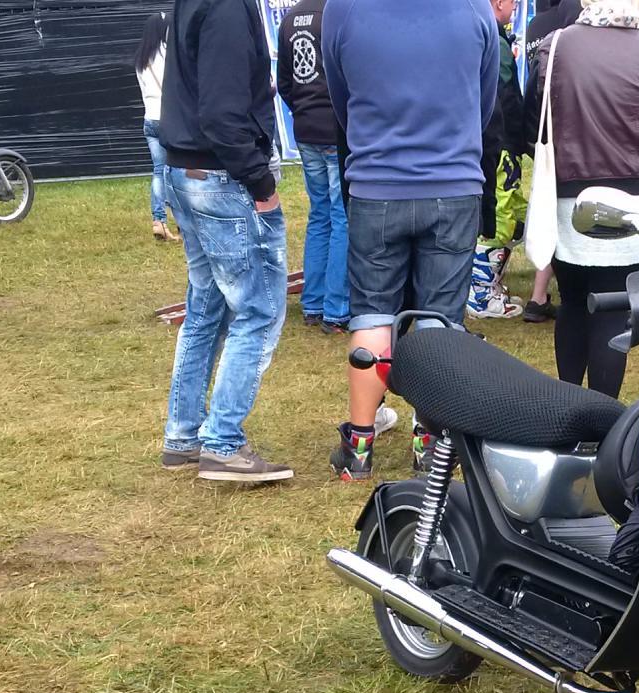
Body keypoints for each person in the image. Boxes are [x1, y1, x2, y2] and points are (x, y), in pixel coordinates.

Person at [322, 0, 499, 482]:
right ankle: (431, 443)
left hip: (377, 183)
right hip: (454, 183)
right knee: (441, 318)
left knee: (372, 313)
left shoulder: (343, 8)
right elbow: (484, 101)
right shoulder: (474, 7)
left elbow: (341, 96)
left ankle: (359, 448)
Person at [156, 0, 295, 483]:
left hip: (190, 170)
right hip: (221, 177)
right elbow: (221, 112)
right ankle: (221, 443)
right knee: (259, 311)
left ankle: (184, 435)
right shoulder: (228, 8)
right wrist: (260, 182)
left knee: (206, 310)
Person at [530, 0, 639, 399]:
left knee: (572, 302)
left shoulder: (555, 45)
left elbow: (534, 120)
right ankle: (602, 417)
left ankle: (568, 406)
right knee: (614, 310)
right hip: (635, 198)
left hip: (567, 197)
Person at [280, 0, 349, 333]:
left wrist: (304, 111)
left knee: (320, 215)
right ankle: (337, 308)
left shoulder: (290, 18)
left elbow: (284, 83)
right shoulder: (337, 13)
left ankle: (314, 303)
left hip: (306, 128)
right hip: (335, 128)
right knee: (341, 216)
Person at [470, 0, 530, 321]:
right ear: (498, 3)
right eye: (514, 2)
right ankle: (479, 293)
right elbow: (506, 98)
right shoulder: (494, 39)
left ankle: (488, 284)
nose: (516, 7)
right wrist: (520, 139)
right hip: (502, 142)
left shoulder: (484, 32)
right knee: (501, 219)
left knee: (513, 214)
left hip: (496, 141)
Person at [137, 11, 175, 243]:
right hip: (169, 118)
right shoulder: (168, 55)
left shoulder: (141, 59)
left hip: (149, 119)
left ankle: (158, 220)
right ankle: (182, 219)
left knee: (159, 170)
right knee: (178, 170)